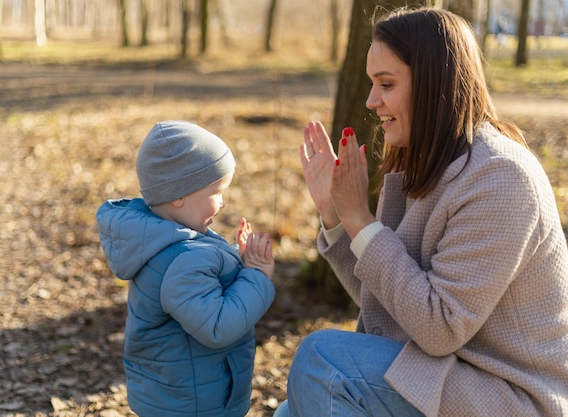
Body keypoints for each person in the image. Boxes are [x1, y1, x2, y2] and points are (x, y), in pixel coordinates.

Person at [274, 6, 568, 417]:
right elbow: (391, 303)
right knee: (291, 411)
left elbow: (440, 326)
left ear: (434, 84)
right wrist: (337, 218)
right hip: (449, 374)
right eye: (371, 83)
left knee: (322, 361)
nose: (371, 101)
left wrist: (362, 219)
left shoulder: (500, 178)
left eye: (387, 84)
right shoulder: (423, 164)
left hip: (507, 396)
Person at [96, 120, 276, 417]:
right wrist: (256, 274)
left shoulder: (161, 238)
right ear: (179, 195)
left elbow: (201, 288)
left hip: (175, 393)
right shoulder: (183, 258)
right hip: (193, 403)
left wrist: (238, 263)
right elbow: (218, 326)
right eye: (216, 192)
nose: (222, 203)